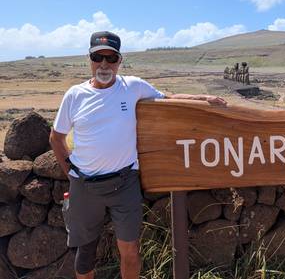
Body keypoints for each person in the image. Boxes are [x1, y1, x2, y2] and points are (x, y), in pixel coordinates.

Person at [49, 31, 226, 279]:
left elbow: (169, 98)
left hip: (124, 183)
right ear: (89, 60)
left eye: (111, 58)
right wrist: (70, 172)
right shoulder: (75, 95)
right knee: (85, 252)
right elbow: (56, 137)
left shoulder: (132, 87)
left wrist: (204, 98)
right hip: (85, 185)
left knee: (130, 249)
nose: (104, 64)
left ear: (120, 61)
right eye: (98, 57)